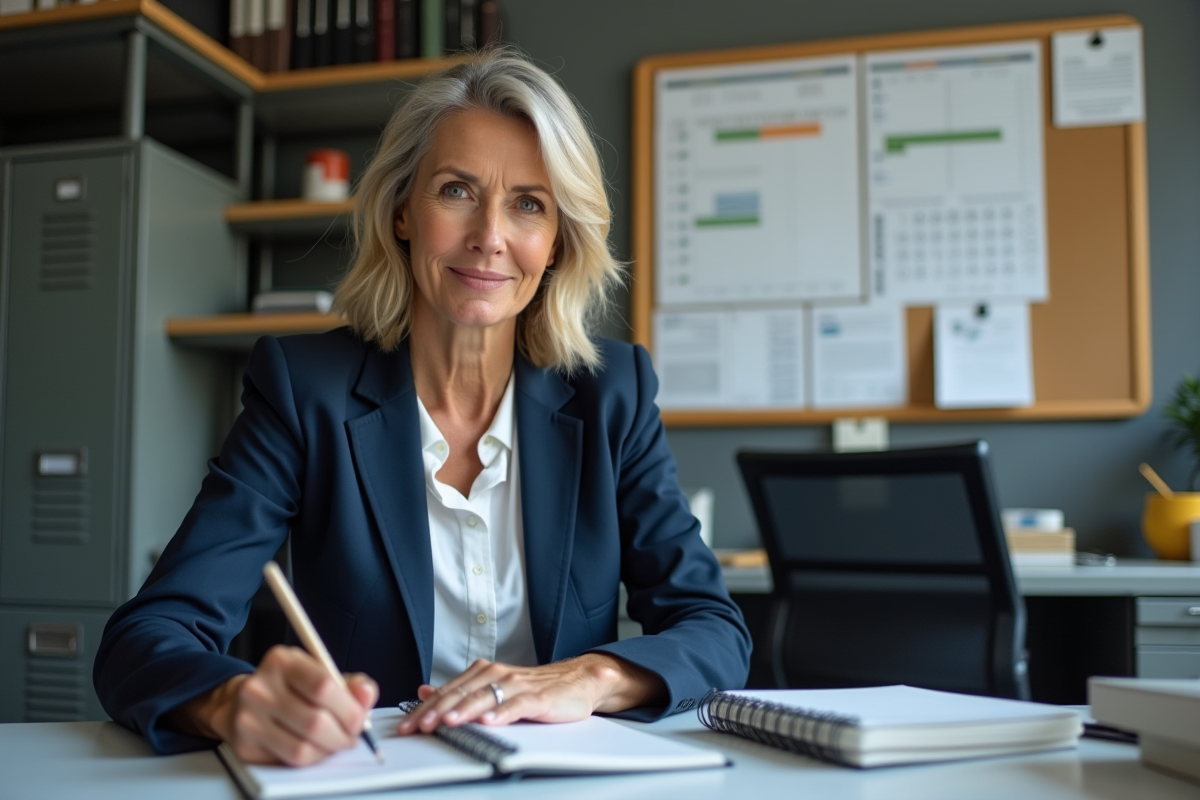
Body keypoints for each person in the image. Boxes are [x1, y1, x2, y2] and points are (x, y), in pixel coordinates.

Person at [93, 48, 750, 766]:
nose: (489, 237)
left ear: (558, 240)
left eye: (529, 204)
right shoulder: (303, 388)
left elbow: (713, 628)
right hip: (369, 777)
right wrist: (231, 701)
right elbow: (148, 636)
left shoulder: (612, 393)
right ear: (403, 211)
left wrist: (592, 678)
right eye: (457, 191)